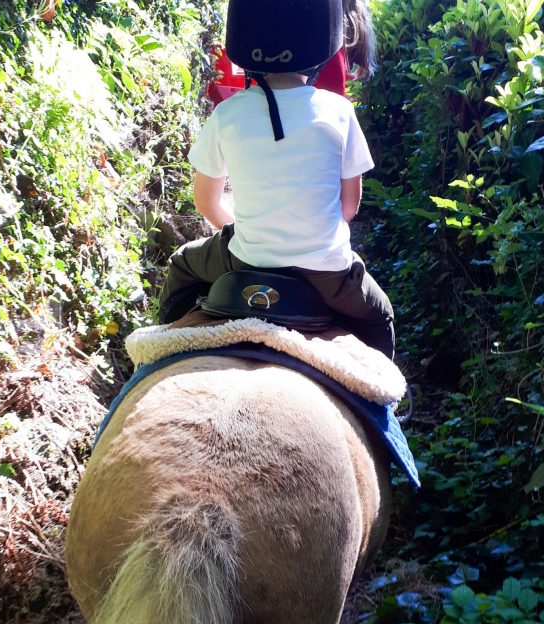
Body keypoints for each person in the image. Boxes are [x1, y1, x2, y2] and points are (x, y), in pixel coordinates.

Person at [158, 0, 394, 359]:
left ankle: (163, 353)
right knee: (380, 316)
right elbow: (349, 206)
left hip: (245, 260)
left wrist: (246, 229)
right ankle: (383, 409)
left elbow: (206, 203)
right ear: (323, 45)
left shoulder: (227, 113)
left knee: (181, 265)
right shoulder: (340, 111)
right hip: (326, 273)